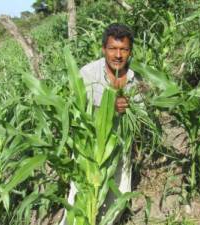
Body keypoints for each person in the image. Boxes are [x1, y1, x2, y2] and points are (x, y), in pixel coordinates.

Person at [60, 23, 137, 225]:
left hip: (121, 147)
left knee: (119, 199)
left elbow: (141, 115)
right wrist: (108, 109)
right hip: (91, 149)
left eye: (124, 49)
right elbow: (79, 113)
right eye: (112, 48)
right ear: (104, 49)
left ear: (130, 52)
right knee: (79, 198)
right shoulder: (88, 75)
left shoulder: (136, 79)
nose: (118, 55)